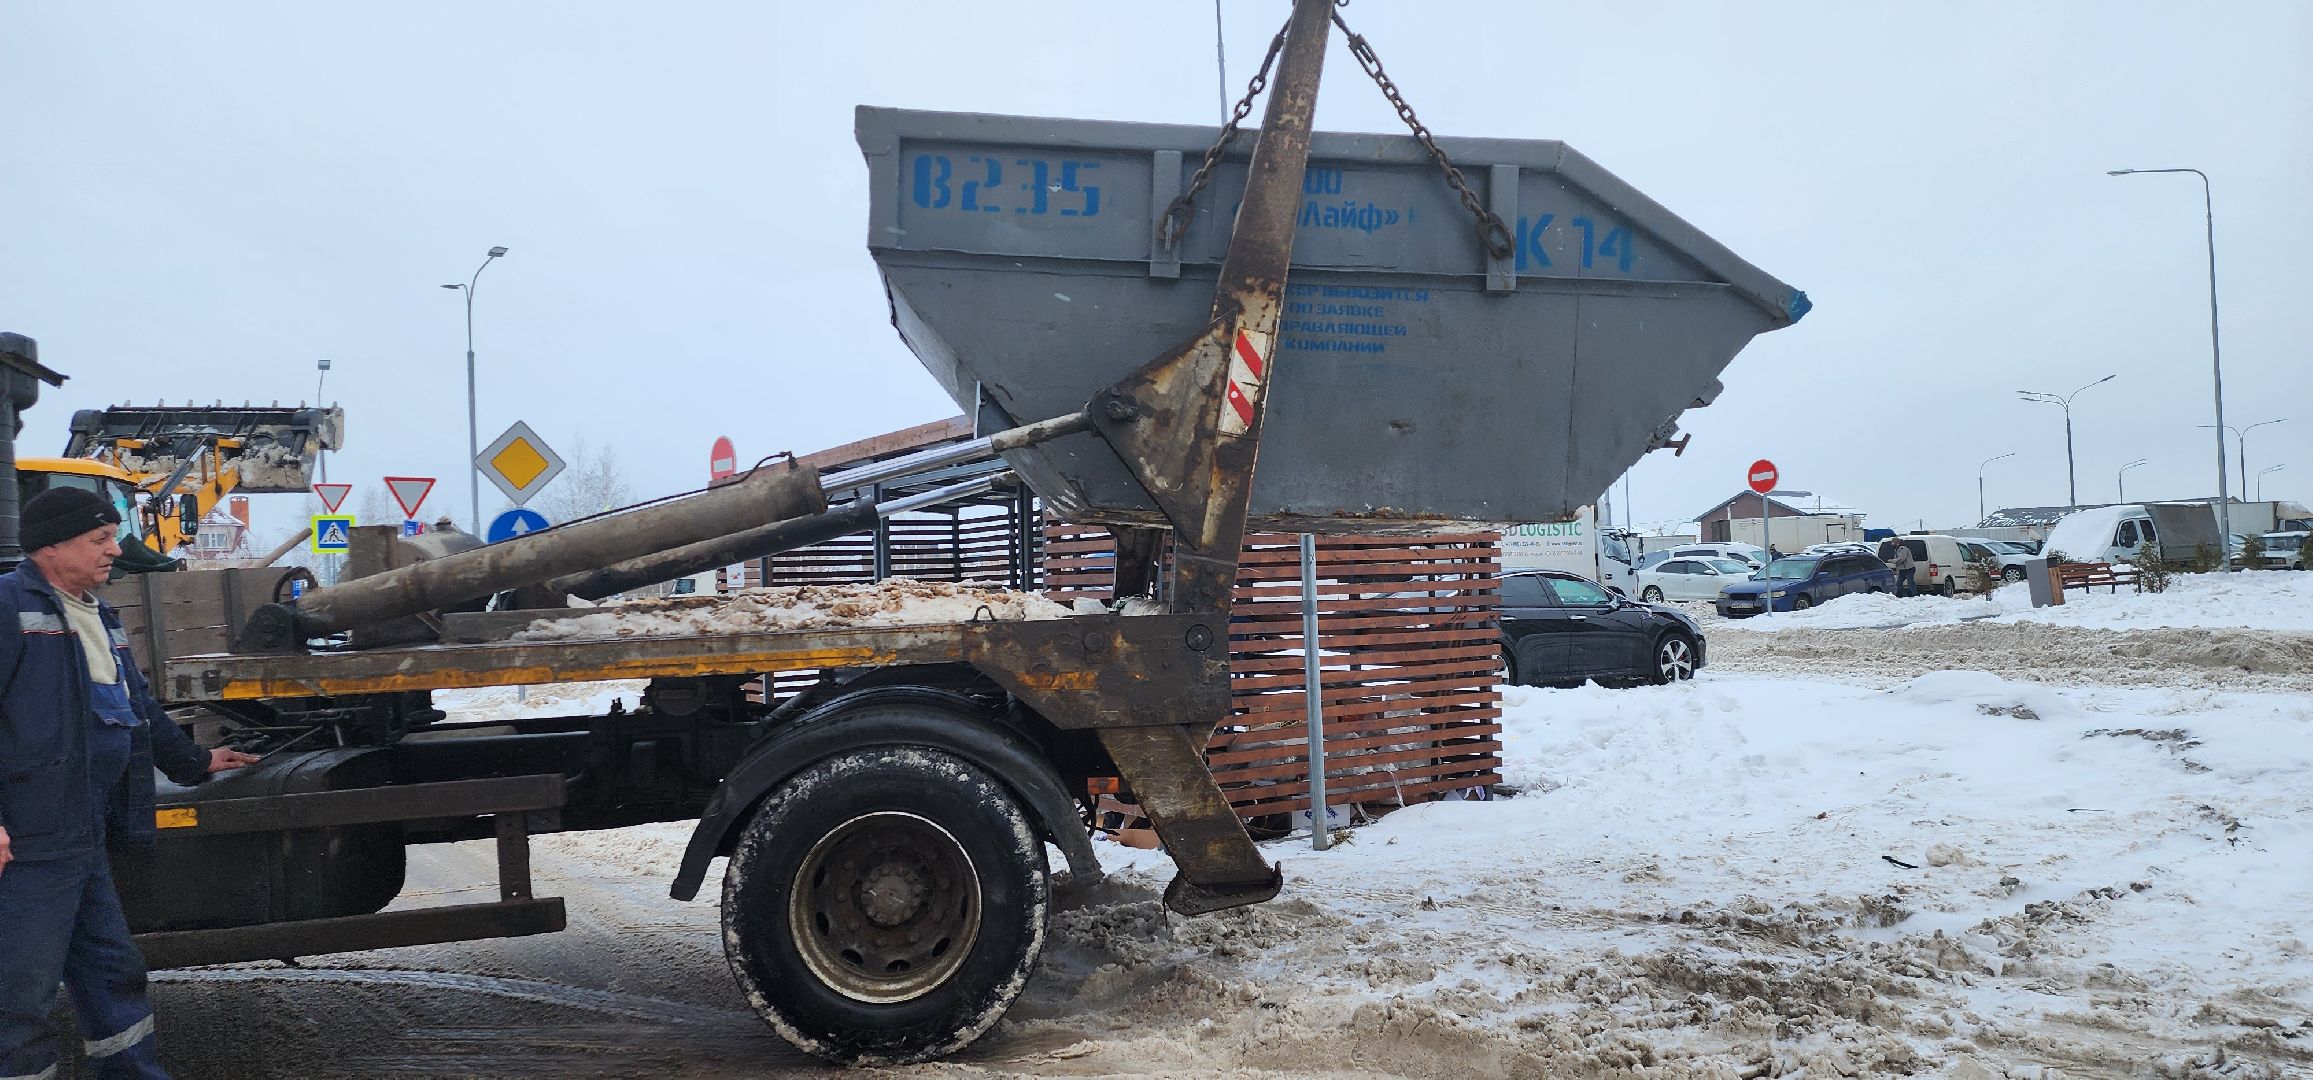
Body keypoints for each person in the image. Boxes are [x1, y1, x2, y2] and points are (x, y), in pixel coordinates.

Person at [0, 488, 258, 1080]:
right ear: (51, 546)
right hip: (32, 840)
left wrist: (195, 762)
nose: (114, 551)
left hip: (83, 833)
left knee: (112, 969)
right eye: (99, 540)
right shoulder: (9, 608)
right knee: (18, 993)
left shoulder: (99, 615)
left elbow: (138, 710)